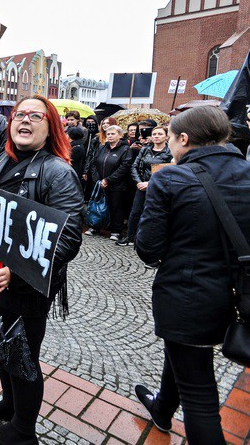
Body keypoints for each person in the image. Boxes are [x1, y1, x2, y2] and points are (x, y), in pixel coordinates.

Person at [0, 41, 83, 444]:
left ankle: (23, 430)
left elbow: (68, 237)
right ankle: (9, 406)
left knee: (24, 356)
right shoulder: (3, 153)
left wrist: (19, 270)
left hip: (26, 286)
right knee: (2, 347)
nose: (24, 120)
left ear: (51, 128)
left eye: (35, 116)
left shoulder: (57, 172)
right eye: (20, 115)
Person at [134, 106, 250, 443]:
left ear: (184, 139)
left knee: (200, 395)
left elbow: (148, 248)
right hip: (238, 293)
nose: (168, 144)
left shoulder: (170, 177)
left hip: (190, 295)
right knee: (184, 356)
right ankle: (162, 408)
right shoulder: (247, 172)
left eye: (169, 137)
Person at [119, 126, 172, 248]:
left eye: (160, 134)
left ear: (166, 136)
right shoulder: (145, 150)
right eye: (154, 134)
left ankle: (149, 240)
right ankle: (130, 236)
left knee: (153, 213)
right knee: (135, 212)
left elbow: (169, 170)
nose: (156, 136)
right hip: (141, 186)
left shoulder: (169, 152)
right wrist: (139, 182)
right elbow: (134, 166)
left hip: (159, 187)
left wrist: (150, 183)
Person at [85, 125, 132, 239]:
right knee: (98, 205)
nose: (110, 136)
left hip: (117, 184)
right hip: (100, 183)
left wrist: (108, 180)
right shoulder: (102, 147)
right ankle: (95, 227)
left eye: (113, 134)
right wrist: (98, 180)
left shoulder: (125, 149)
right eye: (108, 134)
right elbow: (94, 163)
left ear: (120, 135)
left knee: (116, 207)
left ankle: (116, 231)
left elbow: (124, 167)